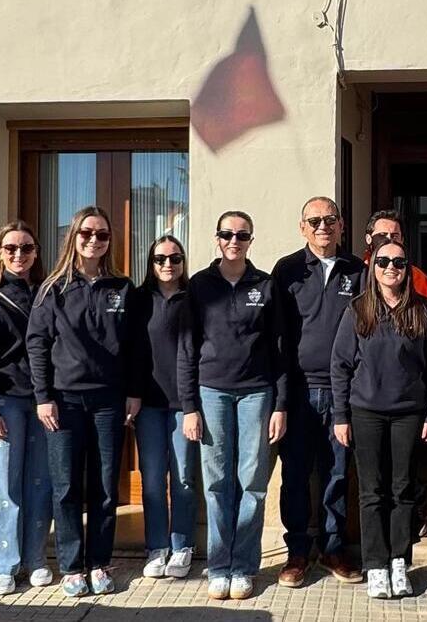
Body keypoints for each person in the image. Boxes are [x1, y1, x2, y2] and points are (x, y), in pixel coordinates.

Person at [27, 206, 139, 599]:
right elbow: (37, 345)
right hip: (64, 401)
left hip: (109, 401)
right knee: (67, 487)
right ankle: (72, 566)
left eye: (103, 235)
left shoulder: (122, 288)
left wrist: (134, 392)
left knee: (106, 487)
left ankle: (100, 563)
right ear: (73, 236)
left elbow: (135, 347)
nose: (94, 240)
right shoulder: (52, 288)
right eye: (87, 233)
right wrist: (43, 397)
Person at [179, 210, 287, 601]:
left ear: (251, 240)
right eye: (227, 234)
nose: (234, 241)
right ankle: (218, 565)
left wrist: (280, 404)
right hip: (212, 393)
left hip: (257, 393)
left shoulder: (266, 285)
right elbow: (186, 350)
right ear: (217, 238)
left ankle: (243, 567)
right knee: (217, 482)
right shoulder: (199, 286)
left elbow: (280, 350)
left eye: (242, 235)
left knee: (253, 482)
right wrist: (190, 406)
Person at [331, 234, 427, 601]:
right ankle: (375, 564)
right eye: (383, 262)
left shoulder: (424, 310)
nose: (391, 268)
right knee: (371, 491)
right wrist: (341, 415)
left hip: (408, 414)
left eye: (398, 262)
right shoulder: (358, 309)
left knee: (403, 490)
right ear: (372, 268)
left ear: (407, 268)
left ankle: (399, 561)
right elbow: (340, 366)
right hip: (365, 413)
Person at [272, 197, 365, 588]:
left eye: (330, 219)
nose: (322, 226)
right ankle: (297, 552)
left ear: (341, 225)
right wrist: (278, 401)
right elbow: (276, 337)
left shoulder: (358, 271)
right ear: (302, 227)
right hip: (297, 392)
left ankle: (332, 548)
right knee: (294, 475)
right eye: (314, 220)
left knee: (336, 474)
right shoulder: (287, 270)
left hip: (343, 392)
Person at [0, 220, 52, 596]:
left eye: (27, 248)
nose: (20, 255)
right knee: (6, 484)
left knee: (39, 482)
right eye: (11, 248)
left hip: (44, 403)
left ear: (36, 253)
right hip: (4, 402)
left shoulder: (47, 293)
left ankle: (35, 558)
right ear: (0, 253)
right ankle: (4, 562)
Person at [363, 209, 427, 537]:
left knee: (403, 472)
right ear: (369, 241)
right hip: (367, 397)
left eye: (395, 237)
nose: (389, 245)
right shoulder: (355, 274)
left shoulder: (416, 276)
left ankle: (403, 539)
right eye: (382, 237)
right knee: (373, 476)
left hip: (408, 395)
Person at [133, 234, 198, 581]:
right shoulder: (139, 299)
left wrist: (192, 406)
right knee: (154, 480)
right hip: (149, 405)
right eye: (160, 259)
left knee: (184, 479)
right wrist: (132, 393)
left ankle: (182, 545)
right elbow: (131, 351)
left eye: (174, 258)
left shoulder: (193, 300)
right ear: (151, 263)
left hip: (183, 405)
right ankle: (156, 546)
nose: (168, 265)